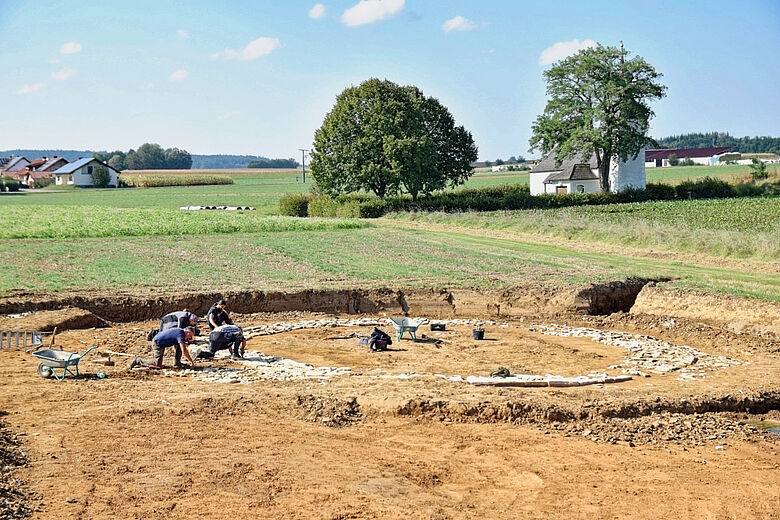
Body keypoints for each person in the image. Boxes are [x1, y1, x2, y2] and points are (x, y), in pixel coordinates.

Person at [131, 326, 196, 369]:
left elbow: (176, 345)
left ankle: (177, 363)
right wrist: (191, 361)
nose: (189, 338)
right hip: (158, 343)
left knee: (181, 345)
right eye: (190, 336)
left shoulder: (180, 331)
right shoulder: (180, 335)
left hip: (161, 340)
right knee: (157, 364)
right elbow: (184, 350)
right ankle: (137, 360)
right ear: (187, 332)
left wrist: (177, 357)